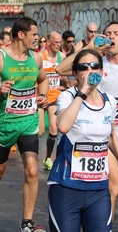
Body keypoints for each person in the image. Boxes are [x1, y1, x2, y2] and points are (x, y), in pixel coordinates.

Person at [56, 21, 118, 223]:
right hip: (97, 139)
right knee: (112, 189)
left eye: (117, 33)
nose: (112, 37)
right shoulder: (95, 65)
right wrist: (90, 47)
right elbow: (61, 69)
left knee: (111, 192)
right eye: (108, 33)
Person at [48, 49, 118, 231]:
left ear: (101, 72)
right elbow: (63, 126)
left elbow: (111, 135)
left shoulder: (109, 101)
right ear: (75, 73)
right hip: (67, 187)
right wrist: (83, 92)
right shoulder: (68, 97)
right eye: (83, 67)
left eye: (95, 66)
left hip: (98, 189)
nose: (90, 70)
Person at [0, 16, 49, 232]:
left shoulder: (36, 58)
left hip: (28, 122)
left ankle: (27, 222)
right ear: (21, 34)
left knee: (33, 171)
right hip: (3, 124)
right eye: (34, 34)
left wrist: (42, 96)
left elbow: (43, 80)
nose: (37, 38)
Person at [39, 31, 66, 170]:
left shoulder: (62, 56)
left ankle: (48, 158)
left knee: (54, 127)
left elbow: (67, 74)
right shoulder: (39, 57)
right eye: (55, 42)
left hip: (55, 97)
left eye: (60, 42)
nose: (58, 45)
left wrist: (65, 85)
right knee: (40, 131)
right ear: (48, 42)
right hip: (40, 97)